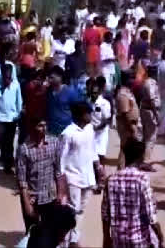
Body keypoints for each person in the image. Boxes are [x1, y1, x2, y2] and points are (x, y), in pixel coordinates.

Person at [102, 138, 165, 248]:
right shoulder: (142, 179)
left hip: (118, 239)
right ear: (141, 158)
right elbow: (151, 216)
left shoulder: (111, 180)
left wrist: (106, 238)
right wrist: (161, 238)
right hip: (139, 240)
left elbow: (105, 215)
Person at [59, 101, 98, 248]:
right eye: (88, 113)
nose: (90, 115)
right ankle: (67, 241)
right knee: (71, 211)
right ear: (80, 115)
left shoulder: (90, 129)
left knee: (81, 211)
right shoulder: (68, 134)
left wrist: (98, 167)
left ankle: (73, 239)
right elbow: (60, 160)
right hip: (72, 178)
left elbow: (93, 150)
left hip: (88, 178)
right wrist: (61, 184)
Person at [17, 119, 61, 230]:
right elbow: (22, 180)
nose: (44, 128)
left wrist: (60, 194)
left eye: (45, 125)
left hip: (50, 196)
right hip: (32, 197)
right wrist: (26, 204)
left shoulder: (54, 143)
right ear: (32, 127)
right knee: (32, 230)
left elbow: (58, 172)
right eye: (40, 125)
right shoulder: (24, 149)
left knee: (50, 231)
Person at [0, 62, 22, 177]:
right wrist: (0, 91)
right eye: (5, 77)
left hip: (12, 118)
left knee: (9, 144)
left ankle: (7, 167)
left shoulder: (16, 85)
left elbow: (19, 101)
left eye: (9, 76)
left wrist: (18, 113)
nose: (8, 79)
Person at [89, 77, 112, 187]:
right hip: (90, 133)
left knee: (100, 156)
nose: (93, 94)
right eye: (92, 92)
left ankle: (101, 180)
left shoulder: (104, 103)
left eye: (95, 93)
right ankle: (93, 179)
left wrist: (98, 128)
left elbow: (107, 119)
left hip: (101, 134)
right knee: (90, 157)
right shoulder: (88, 102)